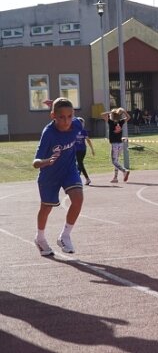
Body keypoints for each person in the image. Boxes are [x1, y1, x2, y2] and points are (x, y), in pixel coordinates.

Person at [32, 98, 85, 256]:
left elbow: (66, 110)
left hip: (69, 170)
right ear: (53, 116)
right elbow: (35, 162)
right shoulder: (48, 133)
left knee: (78, 198)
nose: (66, 121)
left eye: (69, 116)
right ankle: (40, 238)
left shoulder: (77, 124)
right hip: (49, 174)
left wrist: (56, 103)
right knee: (46, 207)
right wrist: (46, 161)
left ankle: (65, 236)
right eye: (61, 117)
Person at [101, 107, 131, 183]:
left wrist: (110, 112)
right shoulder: (121, 122)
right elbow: (128, 117)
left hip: (114, 144)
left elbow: (102, 115)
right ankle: (115, 177)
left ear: (112, 115)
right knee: (116, 160)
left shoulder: (110, 122)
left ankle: (124, 171)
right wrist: (124, 112)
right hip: (120, 144)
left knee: (114, 161)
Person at [74, 117, 95, 185]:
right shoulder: (73, 131)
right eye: (81, 123)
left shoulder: (83, 131)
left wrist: (92, 149)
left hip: (82, 150)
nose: (82, 124)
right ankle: (77, 178)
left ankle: (87, 179)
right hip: (76, 150)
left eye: (83, 123)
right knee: (79, 164)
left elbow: (88, 140)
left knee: (80, 163)